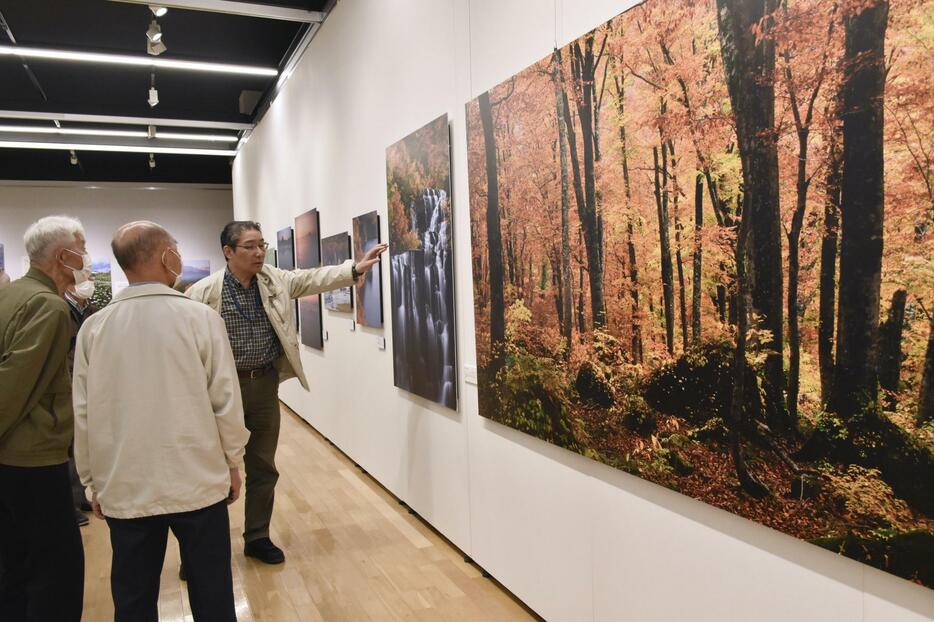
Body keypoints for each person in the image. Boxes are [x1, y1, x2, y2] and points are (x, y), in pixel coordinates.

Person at [73, 221, 250, 622]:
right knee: (213, 594)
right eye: (176, 249)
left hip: (126, 484)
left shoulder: (94, 328)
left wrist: (91, 480)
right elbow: (225, 399)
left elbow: (83, 413)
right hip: (198, 480)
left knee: (133, 599)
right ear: (167, 255)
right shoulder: (199, 318)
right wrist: (232, 461)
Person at [186, 220, 386, 564]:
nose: (259, 252)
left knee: (263, 464)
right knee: (212, 468)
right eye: (250, 246)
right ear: (228, 252)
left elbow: (312, 278)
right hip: (221, 389)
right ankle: (202, 552)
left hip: (263, 385)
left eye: (262, 244)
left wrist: (354, 268)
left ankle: (257, 536)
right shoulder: (203, 293)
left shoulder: (274, 280)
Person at [0, 215, 88, 621]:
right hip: (33, 460)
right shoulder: (49, 307)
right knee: (57, 574)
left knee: (15, 567)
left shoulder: (13, 294)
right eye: (81, 249)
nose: (86, 257)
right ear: (63, 255)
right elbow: (12, 388)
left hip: (13, 461)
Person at [64, 283, 98, 526]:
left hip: (87, 378)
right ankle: (72, 501)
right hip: (67, 379)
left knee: (81, 439)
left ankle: (82, 494)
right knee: (69, 445)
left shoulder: (93, 310)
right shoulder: (61, 308)